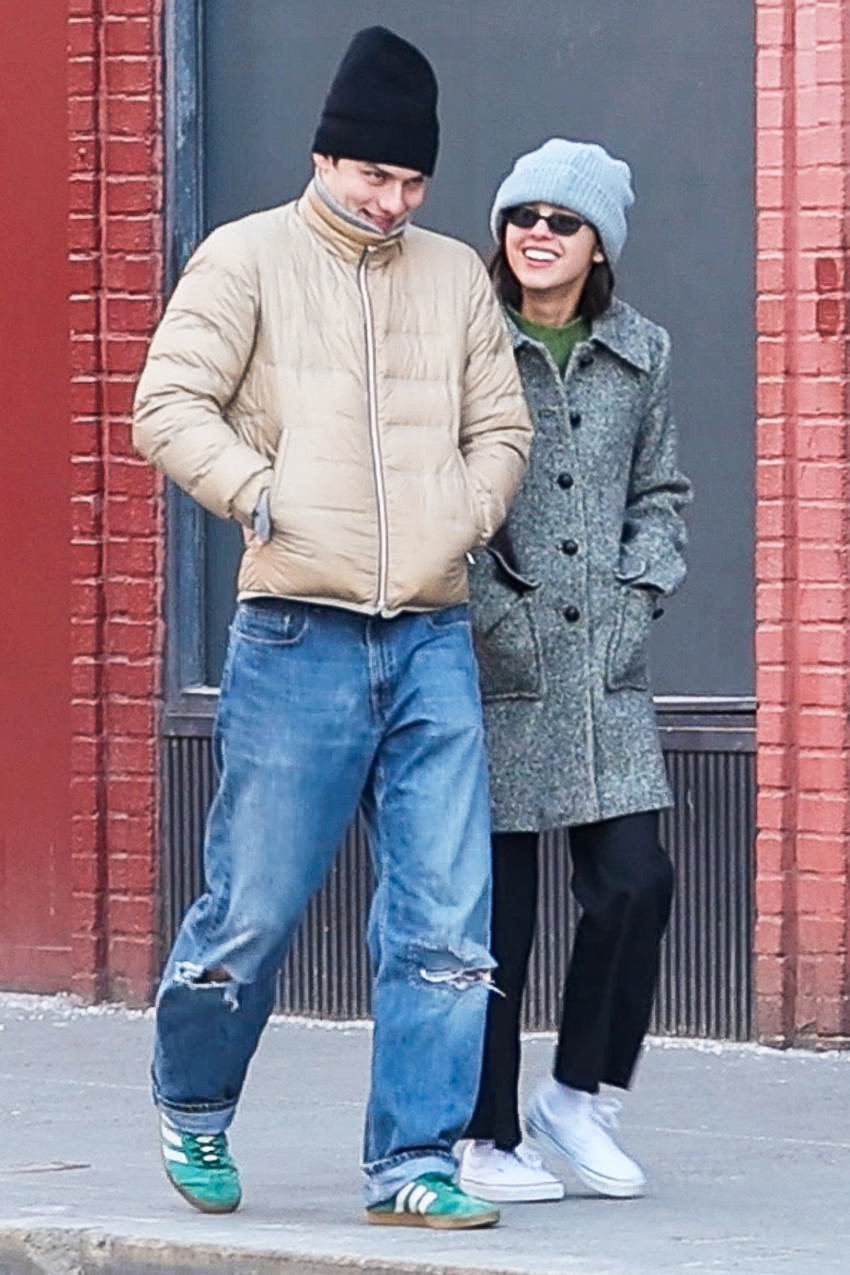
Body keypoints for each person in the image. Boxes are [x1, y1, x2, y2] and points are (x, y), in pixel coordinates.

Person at [133, 27, 532, 1229]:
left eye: (412, 181)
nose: (392, 201)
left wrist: (461, 517)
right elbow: (168, 404)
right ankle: (193, 1104)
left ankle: (413, 1163)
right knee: (251, 906)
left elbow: (500, 425)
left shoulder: (455, 275)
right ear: (326, 156)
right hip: (295, 640)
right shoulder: (244, 258)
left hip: (426, 638)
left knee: (448, 922)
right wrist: (265, 496)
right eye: (373, 176)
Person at [457, 139, 692, 1204]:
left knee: (636, 883)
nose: (538, 233)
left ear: (598, 244)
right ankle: (484, 1134)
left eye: (562, 219)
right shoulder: (464, 345)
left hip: (605, 668)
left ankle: (576, 1093)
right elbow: (436, 490)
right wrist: (495, 617)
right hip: (494, 662)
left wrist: (641, 592)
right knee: (495, 917)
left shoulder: (641, 351)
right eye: (523, 215)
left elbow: (664, 492)